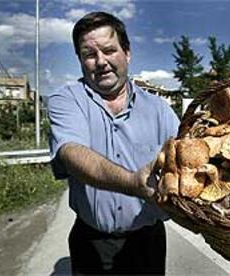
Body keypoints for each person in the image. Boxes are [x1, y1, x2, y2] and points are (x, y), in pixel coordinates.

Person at [47, 11, 180, 275]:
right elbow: (70, 152)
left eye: (109, 50)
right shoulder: (66, 99)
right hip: (92, 242)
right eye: (89, 54)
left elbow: (186, 159)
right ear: (80, 60)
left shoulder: (159, 109)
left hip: (147, 242)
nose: (101, 62)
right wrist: (132, 182)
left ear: (127, 53)